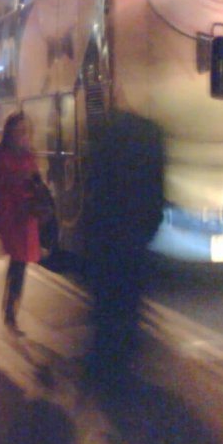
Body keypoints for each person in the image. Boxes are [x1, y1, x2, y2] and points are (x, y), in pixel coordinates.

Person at [82, 109, 164, 388]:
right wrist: (147, 230)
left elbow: (95, 190)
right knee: (128, 301)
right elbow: (156, 195)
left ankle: (105, 363)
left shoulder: (105, 135)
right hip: (135, 238)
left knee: (107, 302)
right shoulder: (151, 135)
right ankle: (122, 361)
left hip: (107, 238)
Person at [0, 111, 40, 333]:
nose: (22, 133)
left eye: (25, 129)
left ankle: (10, 309)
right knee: (18, 260)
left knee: (21, 262)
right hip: (8, 212)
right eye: (18, 129)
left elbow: (35, 179)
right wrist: (10, 179)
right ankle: (10, 312)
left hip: (26, 213)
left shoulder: (29, 153)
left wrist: (34, 179)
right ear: (9, 131)